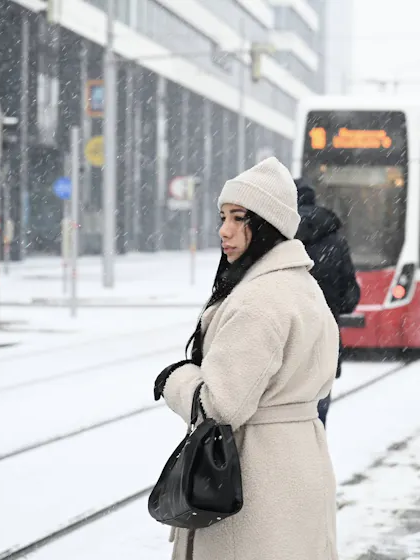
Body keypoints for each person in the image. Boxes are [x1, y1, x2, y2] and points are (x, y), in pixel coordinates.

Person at [153, 157, 340, 560]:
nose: (224, 230)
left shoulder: (258, 301)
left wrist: (175, 380)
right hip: (297, 471)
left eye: (239, 218)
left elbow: (220, 405)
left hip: (257, 488)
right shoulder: (303, 287)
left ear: (268, 225)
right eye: (223, 216)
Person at [294, 178, 361, 426]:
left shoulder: (280, 237)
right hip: (325, 335)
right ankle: (315, 453)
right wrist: (332, 304)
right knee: (319, 410)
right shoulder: (336, 240)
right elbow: (351, 295)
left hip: (290, 337)